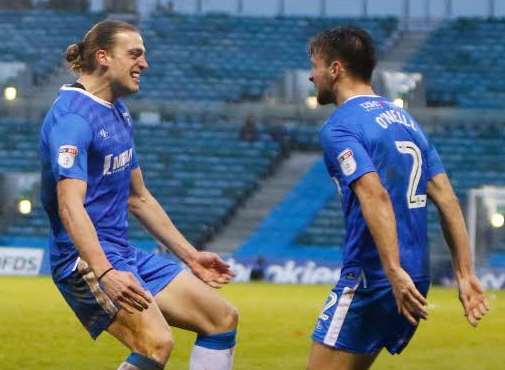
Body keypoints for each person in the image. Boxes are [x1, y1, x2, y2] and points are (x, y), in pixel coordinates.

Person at [40, 20, 238, 370]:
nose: (144, 64)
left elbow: (139, 197)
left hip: (121, 252)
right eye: (135, 54)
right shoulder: (72, 119)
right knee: (155, 345)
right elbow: (69, 207)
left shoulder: (117, 111)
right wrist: (103, 272)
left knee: (220, 318)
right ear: (103, 57)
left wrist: (190, 256)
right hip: (84, 259)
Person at [306, 26, 489, 370]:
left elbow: (375, 196)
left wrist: (391, 270)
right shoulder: (406, 121)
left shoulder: (340, 126)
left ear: (335, 69)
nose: (311, 77)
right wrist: (464, 273)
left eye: (315, 66)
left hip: (374, 274)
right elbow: (447, 199)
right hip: (416, 276)